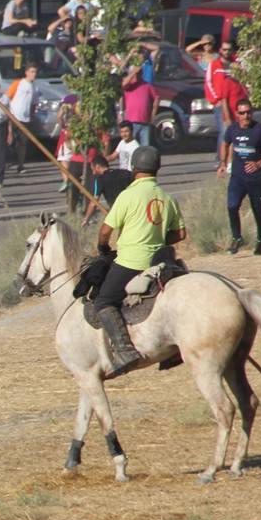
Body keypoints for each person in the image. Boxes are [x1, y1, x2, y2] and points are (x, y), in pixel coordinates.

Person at [94, 146, 186, 377]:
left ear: (133, 169)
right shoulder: (167, 197)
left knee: (103, 301)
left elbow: (105, 231)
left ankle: (125, 350)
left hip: (132, 262)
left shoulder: (127, 196)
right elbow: (181, 234)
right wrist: (158, 236)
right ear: (157, 169)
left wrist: (103, 248)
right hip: (161, 262)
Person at [218, 98, 261, 255]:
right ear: (237, 114)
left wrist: (260, 163)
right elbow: (225, 144)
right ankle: (237, 237)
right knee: (232, 206)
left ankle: (260, 240)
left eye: (248, 112)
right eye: (242, 113)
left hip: (256, 179)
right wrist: (223, 163)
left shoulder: (259, 130)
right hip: (237, 178)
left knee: (258, 210)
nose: (246, 116)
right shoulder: (232, 130)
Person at [81, 153, 135, 226]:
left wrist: (86, 219)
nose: (93, 173)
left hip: (117, 214)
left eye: (93, 170)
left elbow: (94, 202)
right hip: (133, 210)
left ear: (97, 167)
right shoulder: (124, 173)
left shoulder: (100, 180)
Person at [8, 64, 39, 174]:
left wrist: (32, 116)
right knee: (10, 140)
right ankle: (6, 162)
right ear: (26, 72)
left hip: (25, 119)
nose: (34, 74)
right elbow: (7, 97)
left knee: (22, 142)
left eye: (35, 72)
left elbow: (34, 103)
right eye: (32, 72)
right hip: (14, 116)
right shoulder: (18, 83)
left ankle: (20, 165)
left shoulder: (35, 87)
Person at [120, 66, 158, 147]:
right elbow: (123, 84)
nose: (137, 75)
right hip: (131, 122)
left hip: (145, 122)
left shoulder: (147, 85)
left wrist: (153, 114)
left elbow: (156, 98)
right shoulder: (129, 86)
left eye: (139, 73)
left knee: (145, 147)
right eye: (136, 74)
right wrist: (133, 73)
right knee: (132, 146)